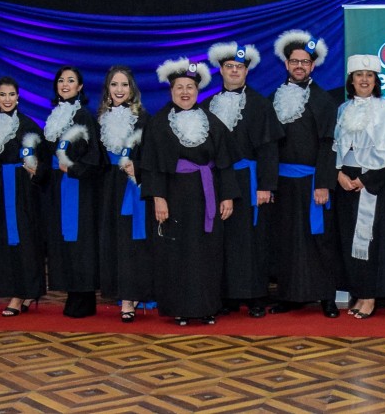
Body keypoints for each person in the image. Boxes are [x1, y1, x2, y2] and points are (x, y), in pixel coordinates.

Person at [140, 57, 239, 326]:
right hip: (174, 198)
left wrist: (227, 196)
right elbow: (151, 167)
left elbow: (225, 163)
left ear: (197, 91)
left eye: (190, 88)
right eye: (179, 87)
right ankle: (180, 308)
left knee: (208, 252)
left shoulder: (212, 122)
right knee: (178, 254)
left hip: (208, 195)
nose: (185, 92)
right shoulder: (158, 124)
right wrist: (158, 198)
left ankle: (207, 307)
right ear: (171, 91)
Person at [204, 42, 284, 318]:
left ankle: (255, 296)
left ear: (247, 71)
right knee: (223, 239)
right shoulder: (207, 105)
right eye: (229, 67)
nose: (234, 71)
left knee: (253, 241)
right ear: (221, 70)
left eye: (239, 67)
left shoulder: (261, 105)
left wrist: (266, 185)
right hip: (216, 182)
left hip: (250, 182)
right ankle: (227, 295)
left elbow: (269, 149)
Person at [268, 29, 342, 318]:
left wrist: (323, 183)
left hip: (313, 183)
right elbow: (268, 146)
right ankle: (289, 296)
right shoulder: (272, 99)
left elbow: (329, 145)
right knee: (286, 239)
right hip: (283, 184)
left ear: (313, 66)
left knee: (319, 240)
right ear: (286, 64)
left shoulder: (324, 101)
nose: (299, 66)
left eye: (305, 62)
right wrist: (269, 184)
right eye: (294, 61)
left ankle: (327, 297)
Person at [334, 54, 385, 320]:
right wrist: (338, 174)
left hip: (374, 182)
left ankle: (371, 296)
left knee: (372, 241)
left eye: (369, 75)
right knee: (350, 239)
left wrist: (365, 180)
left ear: (376, 80)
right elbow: (335, 148)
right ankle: (359, 292)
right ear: (352, 80)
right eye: (359, 75)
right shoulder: (342, 109)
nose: (364, 80)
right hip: (346, 182)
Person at [43, 66, 104, 318]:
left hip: (79, 188)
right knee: (65, 242)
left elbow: (95, 158)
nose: (65, 84)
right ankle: (72, 293)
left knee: (81, 242)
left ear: (80, 87)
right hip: (59, 187)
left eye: (71, 80)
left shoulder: (84, 116)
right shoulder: (54, 116)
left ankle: (84, 297)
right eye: (61, 80)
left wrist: (74, 169)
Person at [0, 77, 47, 317]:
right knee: (6, 243)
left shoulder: (29, 125)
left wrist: (36, 171)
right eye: (3, 94)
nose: (7, 99)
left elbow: (44, 161)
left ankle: (22, 293)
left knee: (26, 242)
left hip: (23, 192)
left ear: (18, 97)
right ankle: (19, 291)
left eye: (12, 94)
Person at [96, 66, 153, 323]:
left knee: (133, 242)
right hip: (109, 185)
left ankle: (132, 297)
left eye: (124, 85)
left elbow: (152, 155)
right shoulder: (99, 118)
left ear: (132, 89)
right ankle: (121, 293)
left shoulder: (143, 118)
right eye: (114, 85)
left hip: (133, 185)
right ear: (107, 89)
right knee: (115, 240)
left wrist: (137, 169)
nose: (119, 90)